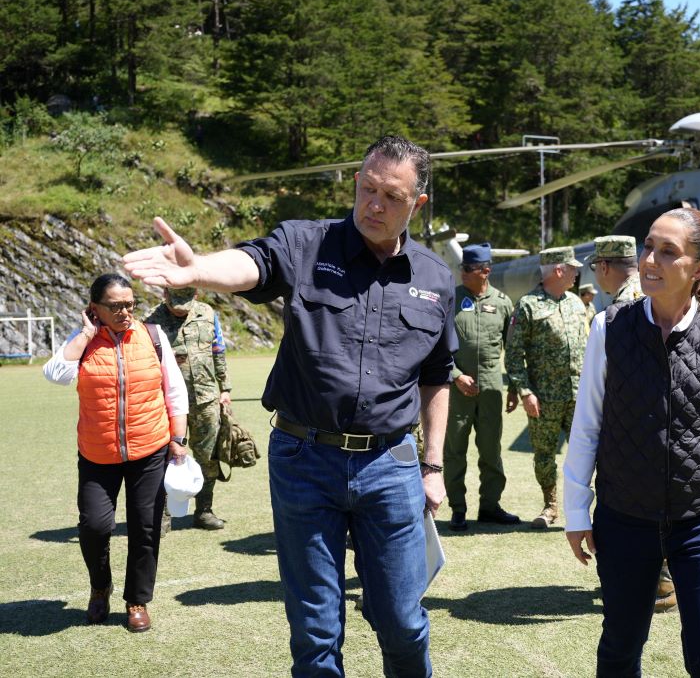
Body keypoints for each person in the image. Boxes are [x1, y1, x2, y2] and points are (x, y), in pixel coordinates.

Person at [123, 135, 457, 676]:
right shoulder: (307, 243)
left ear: (417, 204)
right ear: (356, 182)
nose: (374, 204)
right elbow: (254, 263)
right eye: (367, 188)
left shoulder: (436, 280)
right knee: (316, 630)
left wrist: (433, 465)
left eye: (391, 197)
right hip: (305, 460)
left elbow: (437, 377)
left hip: (390, 465)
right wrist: (199, 269)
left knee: (401, 619)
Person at [564, 208, 700, 677]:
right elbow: (587, 423)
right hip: (624, 518)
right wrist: (577, 511)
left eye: (667, 251)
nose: (649, 260)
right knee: (620, 647)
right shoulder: (610, 328)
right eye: (649, 246)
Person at [42, 273, 189, 633]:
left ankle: (136, 600)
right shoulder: (84, 342)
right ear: (95, 308)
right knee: (94, 526)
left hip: (149, 448)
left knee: (145, 527)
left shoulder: (152, 337)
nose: (125, 312)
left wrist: (179, 439)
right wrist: (86, 334)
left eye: (129, 304)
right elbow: (55, 374)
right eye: (115, 306)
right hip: (97, 453)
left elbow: (174, 391)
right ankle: (99, 586)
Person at [592, 233, 678, 612]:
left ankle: (659, 584)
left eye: (597, 267)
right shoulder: (637, 297)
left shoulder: (628, 305)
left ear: (606, 266)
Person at [506, 246, 589, 529]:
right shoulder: (528, 305)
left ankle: (587, 507)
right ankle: (551, 506)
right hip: (544, 399)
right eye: (572, 268)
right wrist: (525, 392)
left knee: (588, 451)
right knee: (544, 455)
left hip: (579, 395)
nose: (577, 273)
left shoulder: (577, 304)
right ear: (558, 270)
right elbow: (514, 355)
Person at [444, 242, 520, 531]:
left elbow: (511, 349)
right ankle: (458, 510)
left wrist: (513, 386)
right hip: (458, 390)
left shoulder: (502, 303)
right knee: (455, 451)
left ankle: (490, 507)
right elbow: (438, 347)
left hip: (490, 390)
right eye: (462, 268)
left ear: (485, 271)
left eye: (468, 269)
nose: (462, 273)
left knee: (491, 451)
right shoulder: (451, 300)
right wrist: (456, 376)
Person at [144, 287, 233, 530]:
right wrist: (170, 356)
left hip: (205, 398)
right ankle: (162, 516)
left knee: (208, 457)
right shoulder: (151, 321)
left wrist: (225, 389)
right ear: (165, 295)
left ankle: (204, 511)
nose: (179, 310)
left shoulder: (207, 313)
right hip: (168, 403)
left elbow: (218, 350)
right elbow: (143, 359)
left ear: (195, 295)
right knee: (165, 457)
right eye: (175, 304)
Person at [589, 234, 643, 305]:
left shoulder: (623, 305)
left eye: (595, 266)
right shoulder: (650, 286)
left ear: (604, 268)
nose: (595, 271)